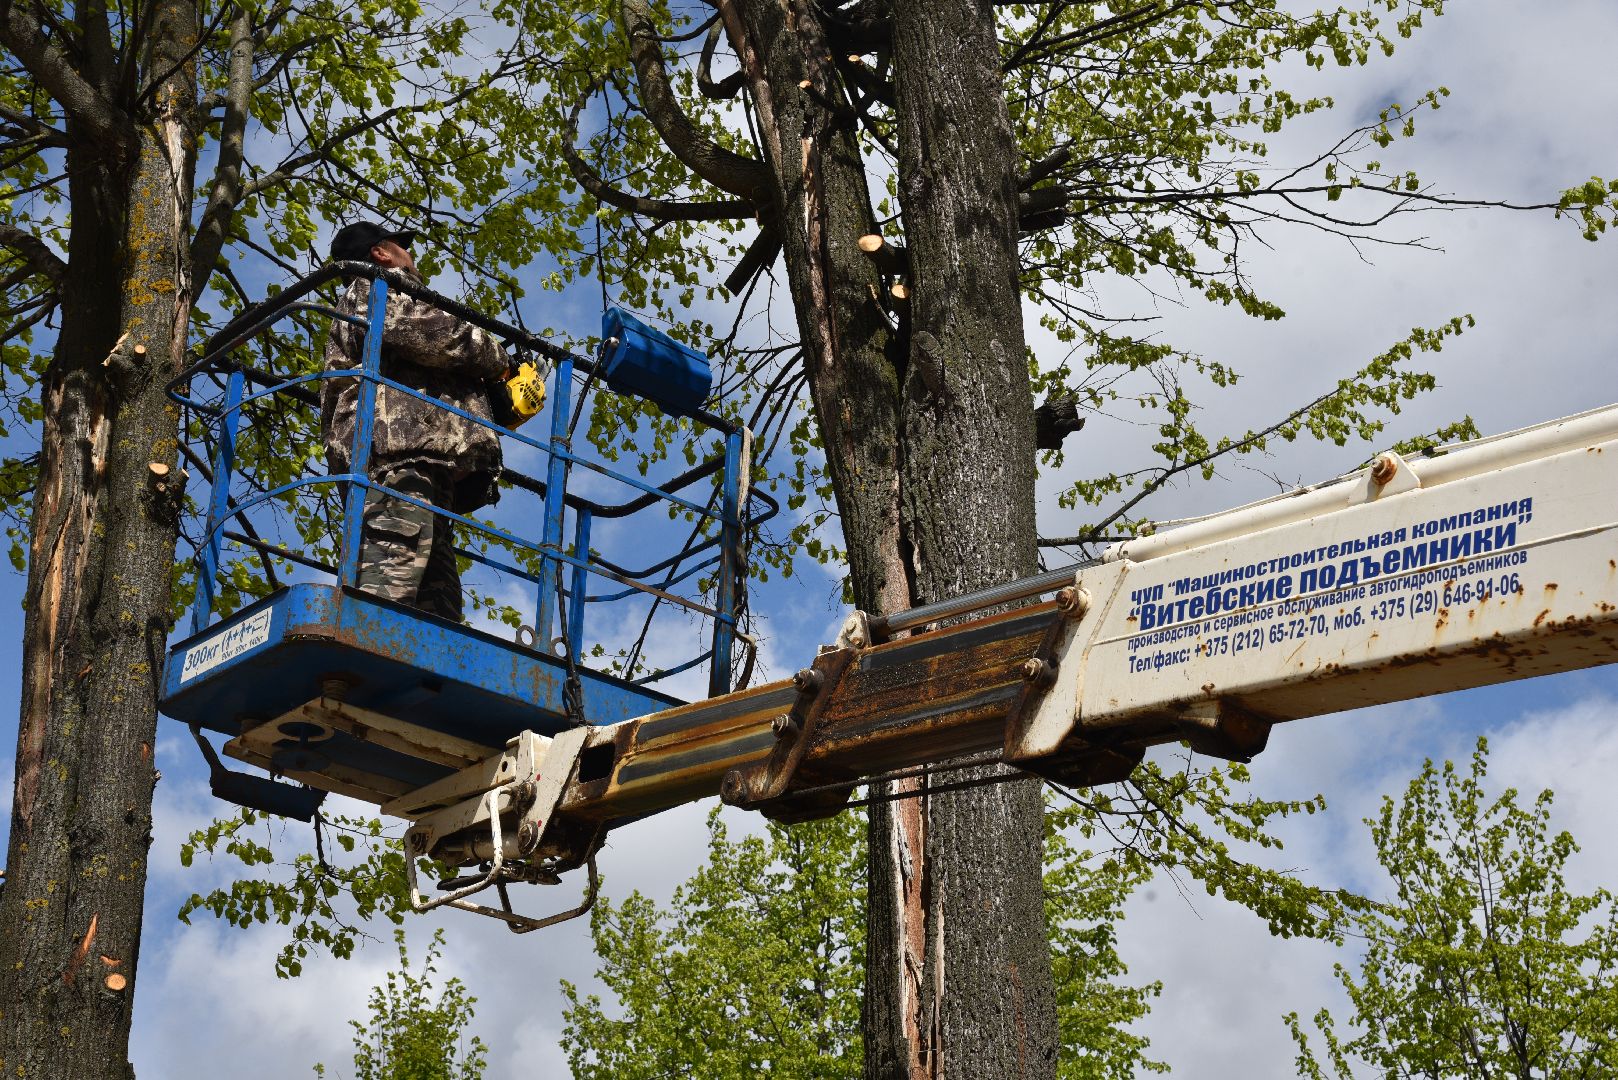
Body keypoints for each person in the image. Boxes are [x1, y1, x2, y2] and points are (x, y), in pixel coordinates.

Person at [321, 221, 509, 622]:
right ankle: (363, 653)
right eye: (403, 248)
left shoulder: (382, 293)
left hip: (420, 457)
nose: (412, 256)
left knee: (437, 603)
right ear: (381, 253)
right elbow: (441, 335)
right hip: (396, 459)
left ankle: (426, 671)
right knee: (389, 586)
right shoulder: (376, 287)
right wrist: (499, 360)